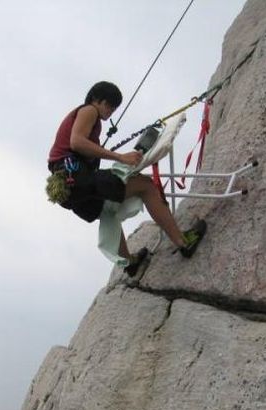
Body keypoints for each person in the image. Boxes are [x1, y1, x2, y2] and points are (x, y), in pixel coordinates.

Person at [47, 81, 206, 276]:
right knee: (146, 185)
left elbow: (75, 147)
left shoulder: (86, 119)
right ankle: (184, 242)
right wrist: (120, 157)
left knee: (108, 211)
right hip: (76, 179)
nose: (111, 112)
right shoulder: (89, 110)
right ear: (97, 100)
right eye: (110, 106)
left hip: (70, 189)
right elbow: (77, 142)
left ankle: (130, 263)